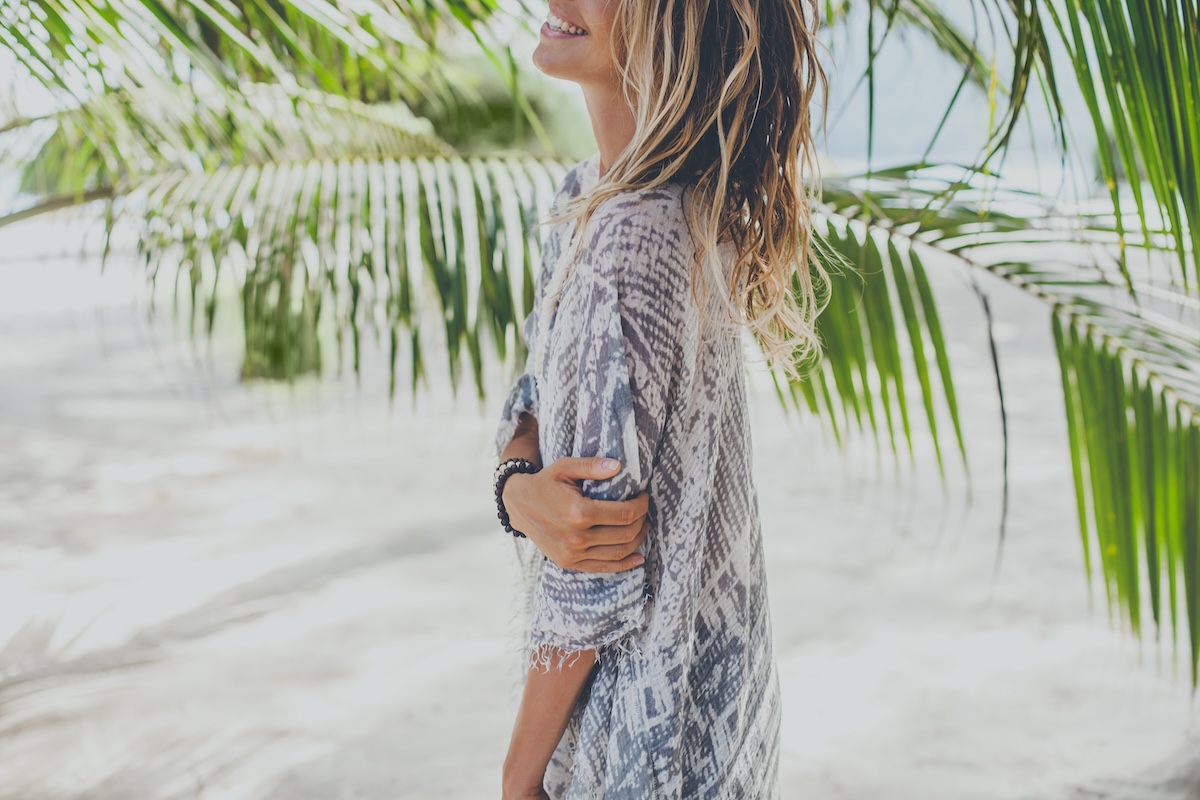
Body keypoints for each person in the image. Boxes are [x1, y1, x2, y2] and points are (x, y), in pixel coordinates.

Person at [492, 1, 829, 797]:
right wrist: (515, 489)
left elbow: (592, 571)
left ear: (672, 22)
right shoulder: (617, 197)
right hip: (723, 718)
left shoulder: (630, 235)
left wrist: (517, 776)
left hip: (648, 745)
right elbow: (533, 399)